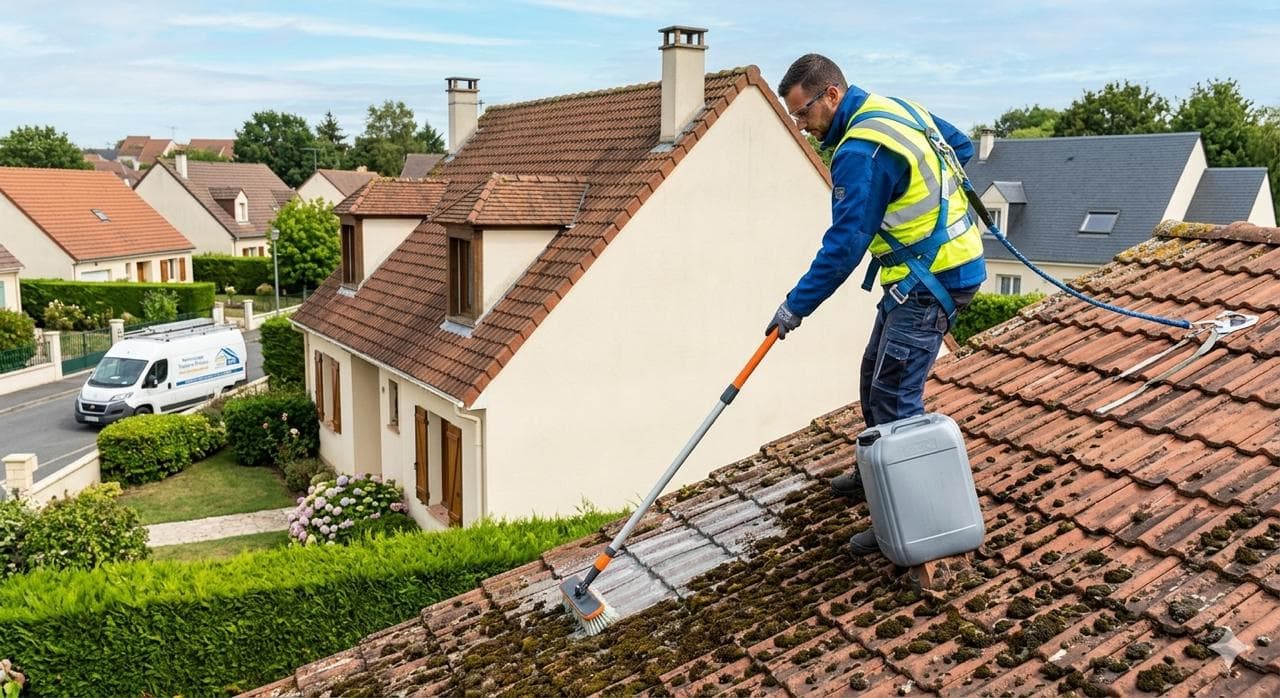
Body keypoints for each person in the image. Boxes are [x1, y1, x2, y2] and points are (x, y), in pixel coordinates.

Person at [765, 54, 986, 557]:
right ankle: (875, 474)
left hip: (934, 278)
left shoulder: (860, 151)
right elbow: (961, 147)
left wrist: (794, 307)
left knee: (895, 399)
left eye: (803, 114)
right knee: (874, 374)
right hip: (923, 274)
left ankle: (915, 525)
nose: (801, 127)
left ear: (832, 96)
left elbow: (844, 246)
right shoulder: (895, 109)